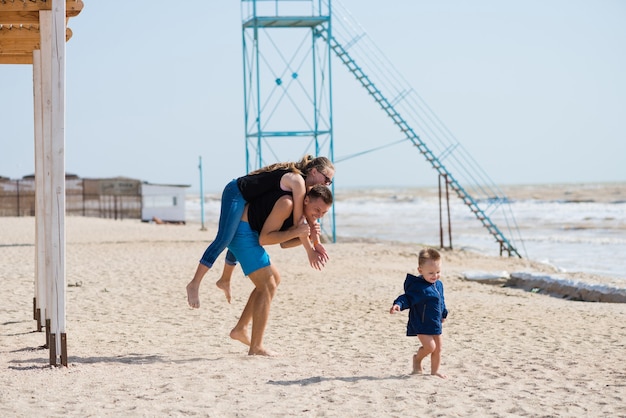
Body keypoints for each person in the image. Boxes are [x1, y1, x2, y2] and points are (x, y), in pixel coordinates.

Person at [186, 155, 335, 308]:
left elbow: (310, 220)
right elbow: (299, 223)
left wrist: (316, 243)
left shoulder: (308, 190)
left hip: (251, 199)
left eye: (330, 182)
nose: (327, 184)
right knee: (224, 238)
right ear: (314, 172)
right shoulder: (298, 182)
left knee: (239, 234)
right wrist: (310, 251)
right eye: (327, 179)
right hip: (236, 192)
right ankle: (194, 283)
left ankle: (225, 279)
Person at [227, 184, 333, 356]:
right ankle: (256, 347)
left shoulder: (300, 214)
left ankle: (240, 329)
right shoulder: (288, 204)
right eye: (317, 210)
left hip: (250, 235)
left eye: (324, 213)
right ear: (306, 200)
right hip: (242, 234)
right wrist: (301, 233)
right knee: (267, 285)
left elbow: (285, 243)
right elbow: (265, 239)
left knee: (274, 279)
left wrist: (306, 234)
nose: (319, 216)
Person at [389, 248, 449, 378]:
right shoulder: (418, 287)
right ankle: (417, 359)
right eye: (431, 273)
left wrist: (443, 314)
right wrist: (398, 304)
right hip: (421, 322)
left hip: (435, 322)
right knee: (430, 347)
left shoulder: (438, 285)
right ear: (420, 270)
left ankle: (434, 371)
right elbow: (407, 298)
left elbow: (441, 301)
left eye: (438, 272)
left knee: (438, 348)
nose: (435, 276)